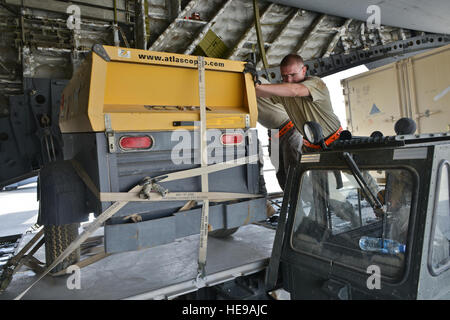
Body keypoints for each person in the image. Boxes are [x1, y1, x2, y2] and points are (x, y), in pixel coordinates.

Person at [254, 54, 342, 150]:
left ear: (304, 70)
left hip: (334, 143)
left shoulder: (316, 83)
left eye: (292, 75)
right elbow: (262, 93)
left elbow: (295, 90)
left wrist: (258, 85)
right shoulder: (285, 91)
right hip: (309, 146)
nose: (289, 80)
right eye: (284, 76)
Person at [256, 77, 303, 191]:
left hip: (289, 129)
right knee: (280, 173)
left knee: (293, 172)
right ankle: (291, 203)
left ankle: (303, 201)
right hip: (274, 134)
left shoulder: (257, 81)